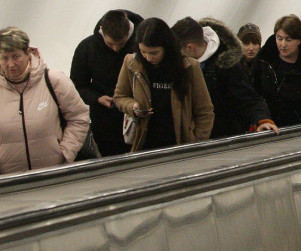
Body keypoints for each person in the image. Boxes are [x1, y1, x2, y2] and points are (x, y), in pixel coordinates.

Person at [0, 26, 90, 174]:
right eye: (4, 58)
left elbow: (78, 117)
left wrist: (65, 153)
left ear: (28, 53)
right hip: (10, 178)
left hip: (54, 174)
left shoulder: (53, 81)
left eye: (16, 56)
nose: (11, 64)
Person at [113, 17, 214, 152]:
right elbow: (119, 97)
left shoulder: (189, 67)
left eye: (154, 53)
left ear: (167, 47)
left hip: (179, 144)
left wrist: (196, 142)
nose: (148, 58)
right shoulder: (132, 63)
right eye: (143, 52)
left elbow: (204, 111)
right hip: (144, 143)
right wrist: (133, 106)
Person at [172, 17, 279, 138]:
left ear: (190, 47)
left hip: (222, 138)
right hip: (192, 137)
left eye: (178, 51)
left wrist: (262, 120)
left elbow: (248, 98)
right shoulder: (182, 64)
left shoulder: (226, 64)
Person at [70, 9, 143, 156]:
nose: (116, 49)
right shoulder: (87, 48)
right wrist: (96, 98)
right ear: (101, 31)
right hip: (105, 121)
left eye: (121, 44)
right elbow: (76, 86)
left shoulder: (143, 44)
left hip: (141, 116)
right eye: (110, 44)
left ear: (129, 30)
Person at [237, 22, 278, 109]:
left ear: (259, 45)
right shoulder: (233, 66)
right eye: (246, 44)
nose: (251, 48)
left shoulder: (267, 65)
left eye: (255, 43)